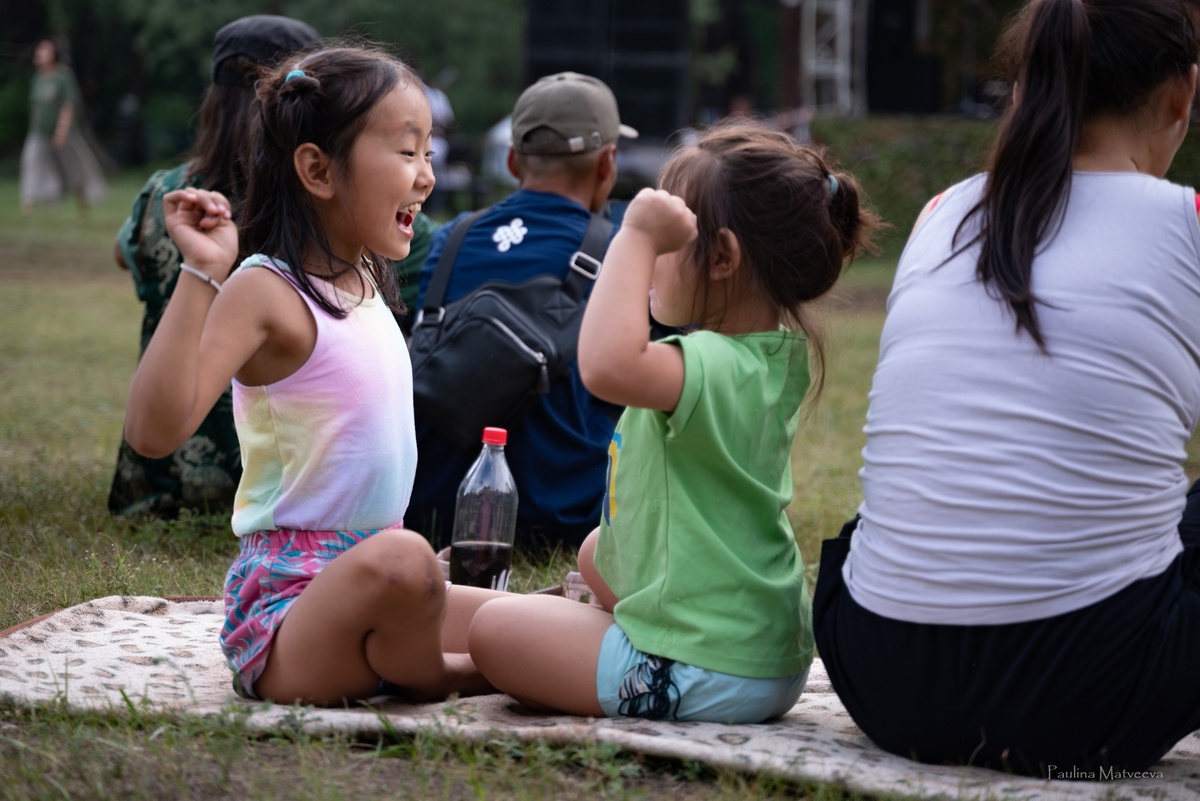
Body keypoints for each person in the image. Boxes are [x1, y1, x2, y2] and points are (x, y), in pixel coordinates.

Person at [812, 0, 1200, 777]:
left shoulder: (941, 213)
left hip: (883, 675)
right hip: (1087, 700)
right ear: (1180, 96)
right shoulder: (1186, 220)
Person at [122, 46, 504, 705]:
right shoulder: (267, 291)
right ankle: (445, 674)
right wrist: (203, 271)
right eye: (408, 152)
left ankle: (432, 650)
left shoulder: (365, 278)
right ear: (318, 170)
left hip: (376, 583)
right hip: (288, 618)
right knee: (410, 560)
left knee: (532, 619)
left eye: (430, 154)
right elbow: (153, 433)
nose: (427, 177)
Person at [466, 119, 878, 723]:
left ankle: (614, 663)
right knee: (594, 553)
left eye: (667, 242)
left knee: (494, 627)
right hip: (757, 647)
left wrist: (631, 236)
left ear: (721, 259)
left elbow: (606, 365)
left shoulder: (712, 364)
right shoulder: (761, 356)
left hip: (709, 666)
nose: (651, 260)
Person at [406, 71, 637, 550]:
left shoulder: (451, 238)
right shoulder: (624, 251)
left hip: (438, 511)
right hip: (564, 518)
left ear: (512, 161)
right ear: (607, 162)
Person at [108, 14, 323, 520]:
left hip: (156, 474)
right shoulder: (309, 203)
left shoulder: (167, 193)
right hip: (270, 486)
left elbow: (124, 253)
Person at [20, 37, 107, 214]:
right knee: (32, 162)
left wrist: (61, 131)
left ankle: (82, 202)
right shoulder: (38, 78)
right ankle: (29, 204)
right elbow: (35, 107)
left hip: (64, 132)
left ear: (53, 54)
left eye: (45, 50)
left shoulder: (63, 75)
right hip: (39, 132)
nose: (40, 53)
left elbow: (68, 105)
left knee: (72, 168)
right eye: (39, 50)